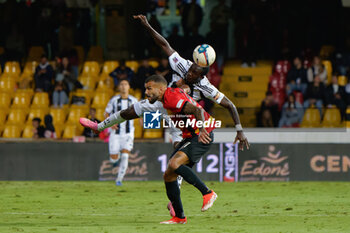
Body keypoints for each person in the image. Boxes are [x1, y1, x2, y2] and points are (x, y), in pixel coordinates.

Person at [104, 79, 138, 186]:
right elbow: (106, 113)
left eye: (125, 84)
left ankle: (119, 179)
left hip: (128, 133)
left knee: (125, 156)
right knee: (113, 159)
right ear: (119, 87)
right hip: (115, 134)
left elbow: (141, 112)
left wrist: (143, 121)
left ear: (129, 87)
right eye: (121, 84)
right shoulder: (114, 100)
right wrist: (110, 123)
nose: (123, 86)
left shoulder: (134, 100)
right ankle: (115, 160)